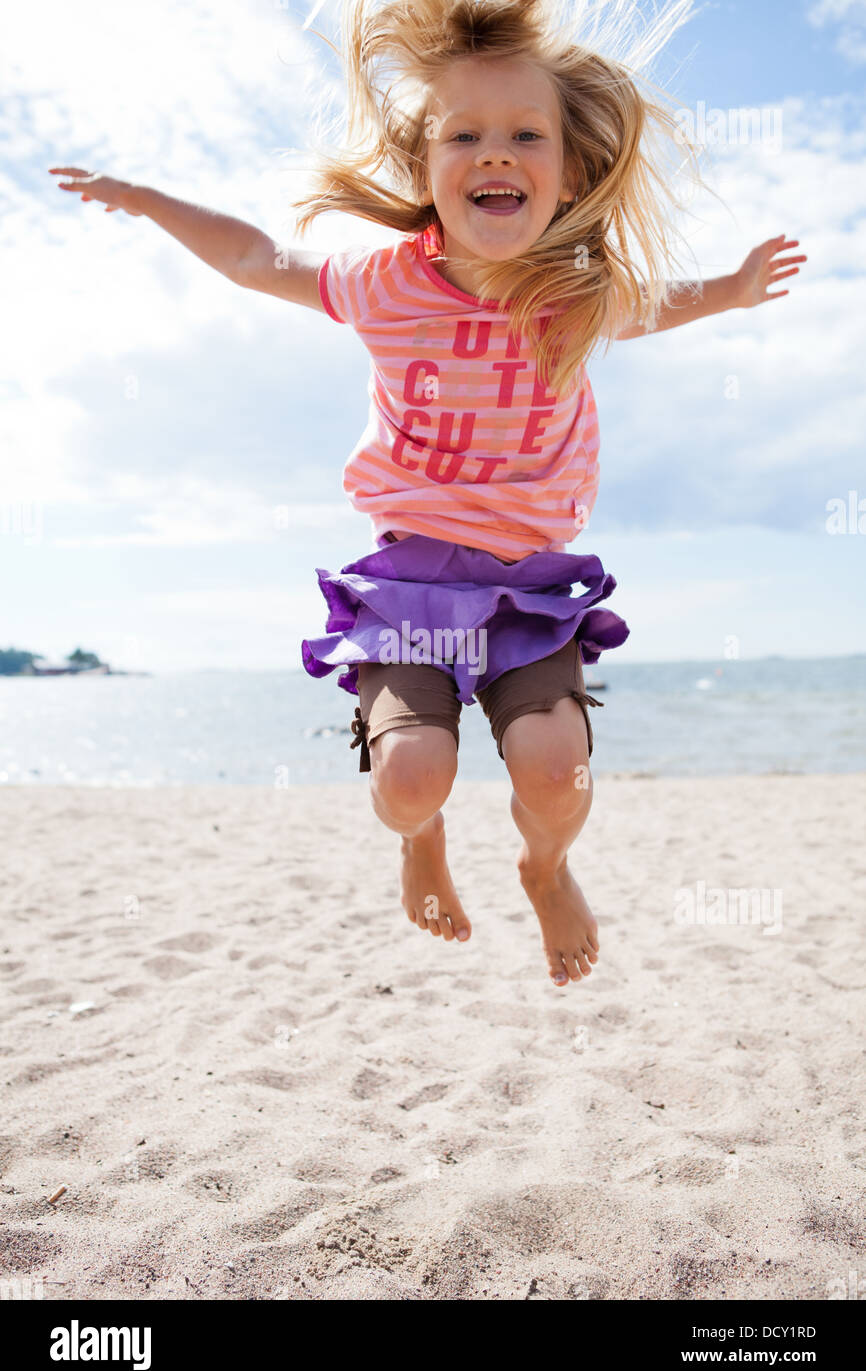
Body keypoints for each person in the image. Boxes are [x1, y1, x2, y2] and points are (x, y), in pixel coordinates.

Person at [49, 0, 805, 987]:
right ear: (424, 171)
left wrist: (733, 289)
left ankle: (544, 867)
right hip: (408, 579)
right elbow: (250, 258)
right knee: (410, 779)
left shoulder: (571, 292)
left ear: (567, 170)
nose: (496, 153)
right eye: (465, 135)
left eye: (525, 134)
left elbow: (652, 306)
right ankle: (421, 842)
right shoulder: (383, 284)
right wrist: (147, 198)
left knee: (552, 766)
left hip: (527, 586)